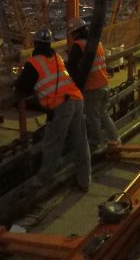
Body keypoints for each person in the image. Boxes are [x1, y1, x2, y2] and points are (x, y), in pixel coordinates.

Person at [14, 27, 91, 192]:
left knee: (52, 144)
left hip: (60, 105)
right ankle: (84, 180)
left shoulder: (34, 63)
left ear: (35, 44)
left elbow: (22, 88)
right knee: (80, 141)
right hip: (76, 98)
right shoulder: (57, 57)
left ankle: (43, 181)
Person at [67, 16, 120, 152]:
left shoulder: (79, 46)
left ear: (76, 32)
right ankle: (114, 139)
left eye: (73, 33)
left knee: (93, 118)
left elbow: (71, 67)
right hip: (104, 84)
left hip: (92, 88)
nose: (72, 36)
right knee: (103, 114)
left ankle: (96, 144)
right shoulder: (97, 43)